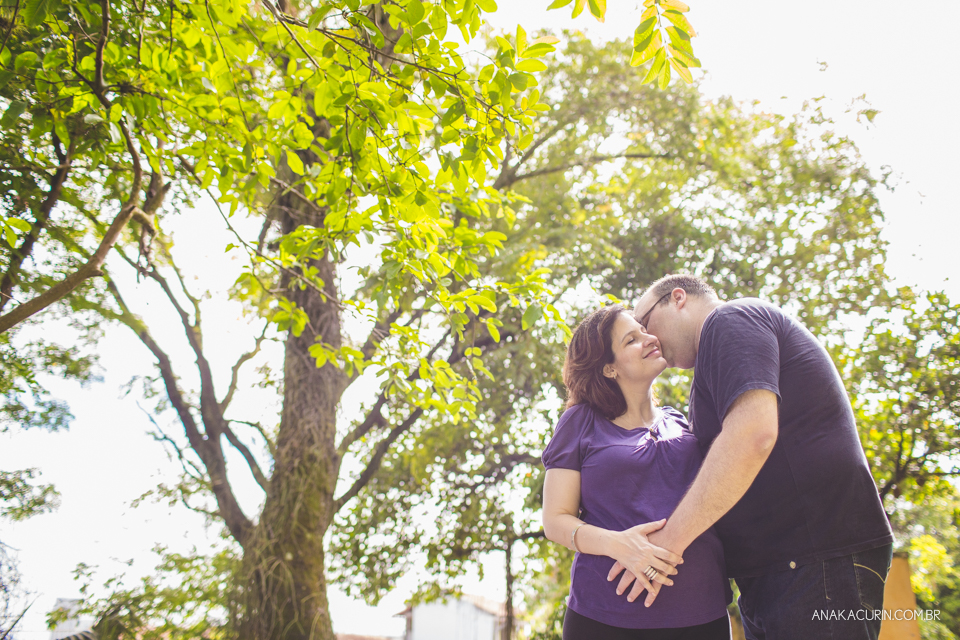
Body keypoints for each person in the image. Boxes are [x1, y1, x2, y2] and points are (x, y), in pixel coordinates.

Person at [614, 274, 894, 640]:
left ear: (677, 298)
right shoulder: (708, 371)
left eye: (645, 323)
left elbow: (753, 435)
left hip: (814, 562)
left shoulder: (729, 319)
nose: (648, 339)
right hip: (778, 574)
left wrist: (667, 546)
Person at [541, 304, 732, 640]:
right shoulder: (580, 422)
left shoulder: (681, 422)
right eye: (631, 339)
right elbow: (555, 520)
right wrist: (619, 545)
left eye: (644, 331)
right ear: (609, 369)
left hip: (702, 611)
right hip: (604, 617)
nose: (648, 339)